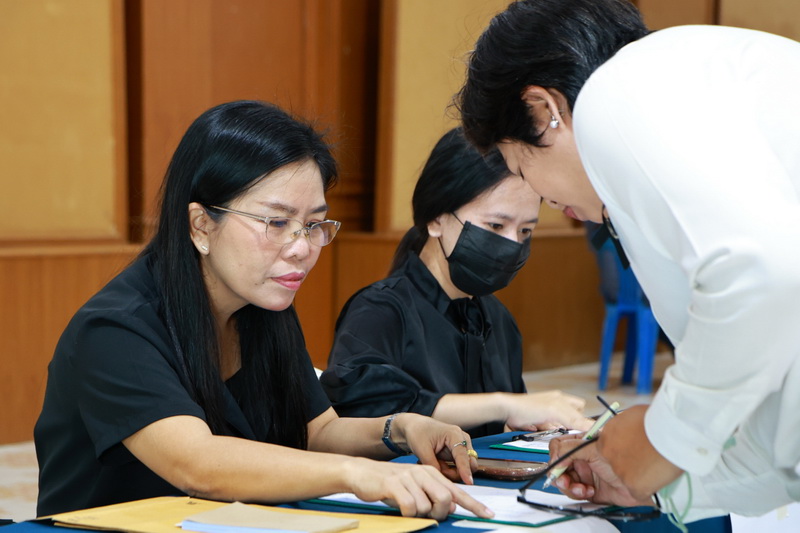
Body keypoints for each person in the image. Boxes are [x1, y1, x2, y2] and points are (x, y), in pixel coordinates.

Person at [34, 101, 495, 521]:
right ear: (201, 225)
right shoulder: (115, 328)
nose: (302, 248)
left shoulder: (261, 304)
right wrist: (356, 474)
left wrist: (402, 428)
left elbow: (317, 431)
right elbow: (198, 464)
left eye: (313, 224)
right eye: (276, 222)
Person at [456, 0, 800, 523]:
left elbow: (762, 277)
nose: (540, 197)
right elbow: (780, 441)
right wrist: (657, 485)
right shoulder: (675, 104)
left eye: (519, 168)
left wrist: (663, 437)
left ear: (542, 110)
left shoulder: (618, 92)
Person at [320, 128, 592, 439]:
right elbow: (363, 407)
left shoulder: (498, 319)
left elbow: (501, 428)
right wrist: (505, 405)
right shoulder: (380, 310)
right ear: (436, 218)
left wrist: (530, 423)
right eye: (496, 225)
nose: (512, 244)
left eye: (525, 231)